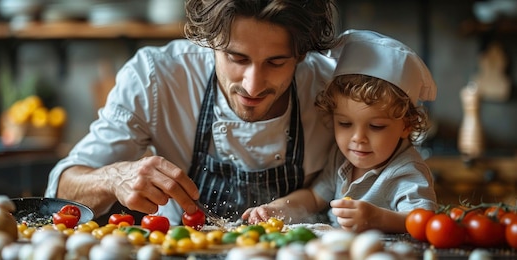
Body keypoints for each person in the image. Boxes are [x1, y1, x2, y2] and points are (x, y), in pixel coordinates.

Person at [44, 0, 339, 225]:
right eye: (237, 58)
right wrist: (112, 178)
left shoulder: (333, 88)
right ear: (209, 40)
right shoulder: (156, 77)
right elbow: (59, 194)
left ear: (302, 53)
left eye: (276, 63)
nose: (252, 85)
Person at [242, 29, 438, 233]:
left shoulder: (406, 171)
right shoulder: (340, 158)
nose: (358, 138)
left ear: (406, 125)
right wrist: (276, 208)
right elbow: (314, 197)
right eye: (345, 124)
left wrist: (378, 218)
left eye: (376, 126)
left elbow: (423, 222)